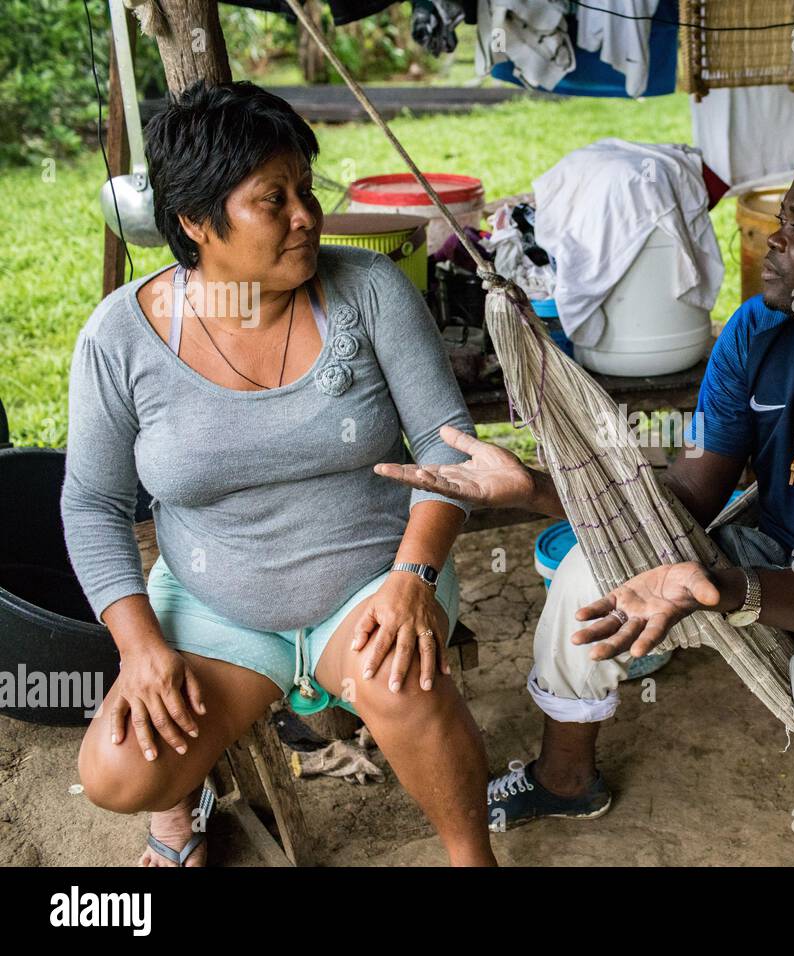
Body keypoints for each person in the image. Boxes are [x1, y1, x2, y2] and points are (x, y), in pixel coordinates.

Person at [378, 142, 794, 866]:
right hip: (776, 555)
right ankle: (566, 777)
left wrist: (725, 590)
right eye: (781, 220)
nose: (775, 241)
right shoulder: (760, 331)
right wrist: (538, 489)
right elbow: (688, 496)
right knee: (591, 569)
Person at [63, 81, 494, 866]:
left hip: (375, 577)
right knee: (116, 771)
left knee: (397, 680)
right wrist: (140, 647)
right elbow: (91, 503)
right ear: (196, 223)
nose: (306, 215)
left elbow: (448, 445)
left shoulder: (368, 292)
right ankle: (177, 817)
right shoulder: (120, 338)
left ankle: (474, 859)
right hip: (215, 604)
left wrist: (414, 575)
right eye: (274, 199)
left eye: (306, 189)